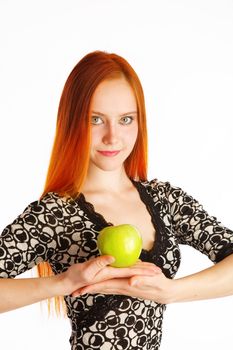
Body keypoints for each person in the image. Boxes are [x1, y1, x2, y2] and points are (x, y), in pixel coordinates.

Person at [0, 50, 233, 350]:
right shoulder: (54, 214)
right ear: (73, 123)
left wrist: (170, 292)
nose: (112, 136)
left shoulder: (165, 201)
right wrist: (62, 284)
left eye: (125, 119)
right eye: (96, 119)